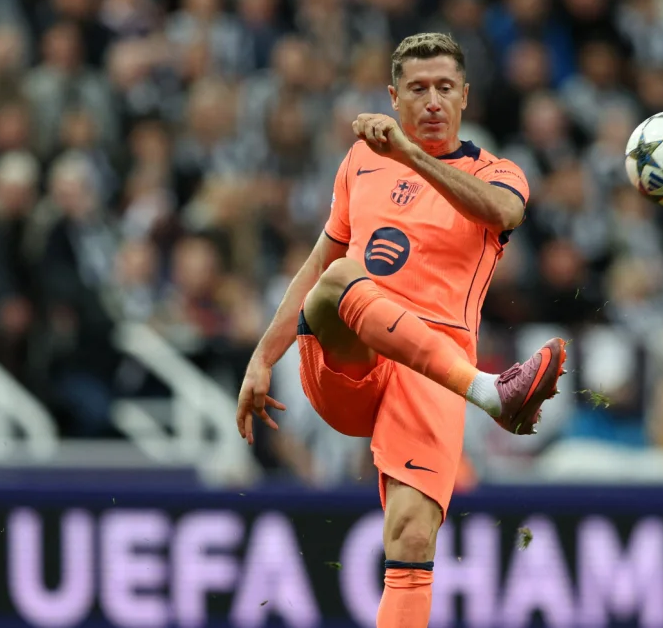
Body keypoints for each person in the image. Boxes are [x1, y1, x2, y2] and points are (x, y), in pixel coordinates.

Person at [236, 33, 567, 628]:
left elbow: (504, 214)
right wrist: (262, 358)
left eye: (445, 88)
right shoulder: (358, 161)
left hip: (433, 367)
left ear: (465, 96)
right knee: (338, 277)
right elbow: (314, 267)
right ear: (394, 97)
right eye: (418, 89)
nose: (433, 100)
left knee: (413, 539)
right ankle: (491, 393)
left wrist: (412, 157)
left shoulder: (499, 171)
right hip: (352, 355)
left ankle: (485, 392)